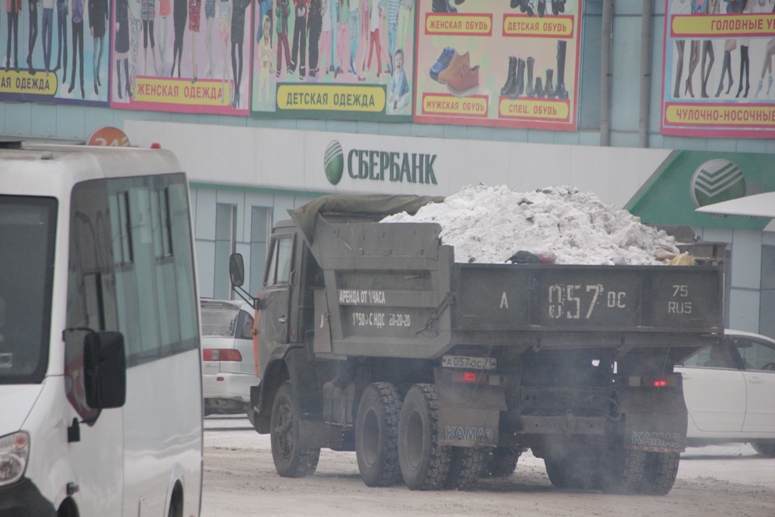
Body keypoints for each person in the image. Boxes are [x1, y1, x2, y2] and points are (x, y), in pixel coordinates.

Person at [88, 0, 108, 94]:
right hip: (95, 24)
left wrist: (107, 19)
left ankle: (98, 74)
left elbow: (106, 6)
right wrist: (91, 25)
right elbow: (89, 8)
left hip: (102, 24)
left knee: (102, 51)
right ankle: (94, 81)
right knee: (95, 54)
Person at [256, 13, 273, 106]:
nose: (267, 31)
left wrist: (270, 56)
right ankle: (259, 99)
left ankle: (267, 98)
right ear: (263, 29)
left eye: (268, 29)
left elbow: (270, 51)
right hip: (263, 66)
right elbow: (260, 52)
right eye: (265, 29)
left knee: (267, 83)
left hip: (267, 66)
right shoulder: (262, 40)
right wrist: (263, 55)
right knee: (261, 84)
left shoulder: (269, 39)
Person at [68, 0, 84, 97]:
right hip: (74, 20)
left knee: (81, 55)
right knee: (74, 54)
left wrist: (82, 13)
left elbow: (84, 3)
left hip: (80, 21)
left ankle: (82, 86)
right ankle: (72, 83)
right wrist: (72, 13)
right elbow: (71, 3)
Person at [115, 0, 130, 98]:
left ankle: (127, 85)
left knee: (126, 52)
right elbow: (117, 6)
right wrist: (117, 21)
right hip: (120, 23)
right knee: (119, 53)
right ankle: (119, 85)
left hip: (126, 23)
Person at [290, 0, 307, 78]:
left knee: (303, 43)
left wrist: (306, 5)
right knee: (295, 40)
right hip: (297, 13)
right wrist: (296, 4)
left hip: (304, 15)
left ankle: (302, 68)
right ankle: (293, 64)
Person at [275, 0, 290, 77]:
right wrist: (278, 6)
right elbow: (276, 14)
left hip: (285, 28)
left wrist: (285, 8)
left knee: (286, 48)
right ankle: (278, 68)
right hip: (279, 28)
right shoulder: (278, 2)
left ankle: (288, 65)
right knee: (279, 50)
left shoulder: (287, 3)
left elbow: (288, 14)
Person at [6, 0, 22, 72]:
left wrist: (20, 8)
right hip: (9, 10)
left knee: (15, 38)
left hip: (15, 10)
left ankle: (16, 64)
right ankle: (7, 64)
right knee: (9, 38)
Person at [41, 0, 54, 74]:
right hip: (44, 9)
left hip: (50, 10)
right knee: (43, 36)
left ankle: (47, 66)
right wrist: (42, 9)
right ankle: (45, 62)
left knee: (49, 39)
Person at [27, 0, 39, 74]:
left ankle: (29, 56)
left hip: (34, 3)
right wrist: (31, 3)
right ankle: (30, 62)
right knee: (31, 32)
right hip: (32, 4)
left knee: (35, 31)